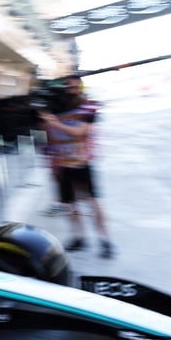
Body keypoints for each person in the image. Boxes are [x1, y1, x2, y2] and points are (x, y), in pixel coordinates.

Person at [40, 93, 113, 259]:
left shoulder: (84, 114)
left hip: (82, 166)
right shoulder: (54, 117)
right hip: (63, 168)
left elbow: (79, 132)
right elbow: (52, 142)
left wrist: (56, 124)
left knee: (93, 204)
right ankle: (79, 237)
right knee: (70, 205)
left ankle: (105, 241)